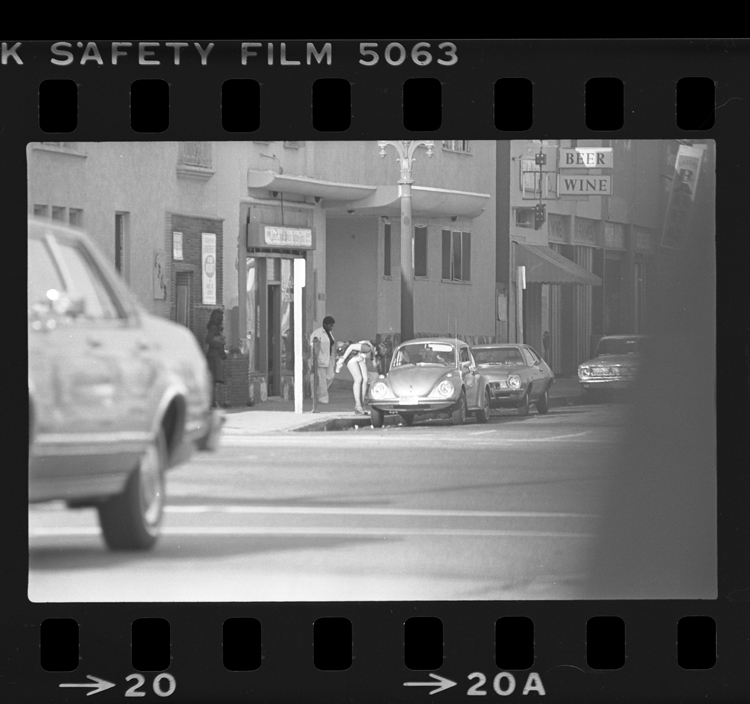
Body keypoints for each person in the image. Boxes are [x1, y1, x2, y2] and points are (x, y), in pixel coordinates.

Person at [336, 340, 374, 414]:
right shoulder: (367, 348)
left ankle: (362, 405)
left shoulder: (369, 354)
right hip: (350, 356)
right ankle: (358, 405)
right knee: (358, 379)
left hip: (359, 357)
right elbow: (351, 347)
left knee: (365, 379)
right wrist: (343, 358)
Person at [309, 316, 336, 404]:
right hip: (320, 360)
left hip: (328, 358)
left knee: (330, 376)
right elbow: (313, 346)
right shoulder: (317, 333)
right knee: (322, 380)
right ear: (324, 324)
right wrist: (315, 359)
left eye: (332, 326)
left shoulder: (329, 333)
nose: (331, 327)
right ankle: (323, 398)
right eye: (330, 325)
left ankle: (317, 392)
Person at [205, 308, 228, 408]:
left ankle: (213, 402)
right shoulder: (214, 328)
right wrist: (218, 344)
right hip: (214, 356)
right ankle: (212, 402)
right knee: (213, 380)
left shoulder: (215, 328)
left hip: (214, 355)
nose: (223, 318)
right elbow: (208, 339)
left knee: (213, 381)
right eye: (221, 317)